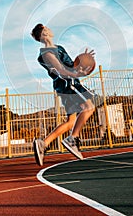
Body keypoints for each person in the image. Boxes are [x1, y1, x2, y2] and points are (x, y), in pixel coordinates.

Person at [31, 23, 95, 166]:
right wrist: (78, 73)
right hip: (68, 84)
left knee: (71, 122)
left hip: (66, 84)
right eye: (45, 29)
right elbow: (61, 70)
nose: (48, 29)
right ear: (43, 35)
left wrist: (84, 61)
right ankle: (73, 139)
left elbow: (71, 66)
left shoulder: (59, 48)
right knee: (89, 107)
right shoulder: (46, 53)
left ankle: (43, 143)